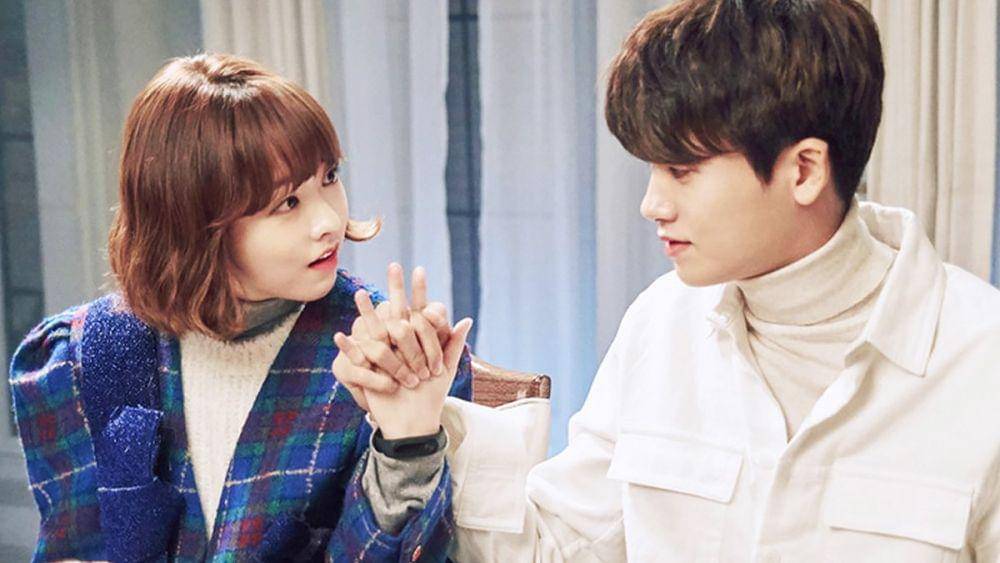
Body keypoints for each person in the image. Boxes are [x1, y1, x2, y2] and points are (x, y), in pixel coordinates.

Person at [334, 0, 1000, 560]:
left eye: (682, 171)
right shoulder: (663, 320)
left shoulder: (980, 358)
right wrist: (416, 431)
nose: (652, 204)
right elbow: (558, 549)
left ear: (804, 170)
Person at [9, 53, 472, 562]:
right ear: (192, 221)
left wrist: (407, 444)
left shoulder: (383, 358)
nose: (329, 221)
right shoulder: (85, 358)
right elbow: (73, 550)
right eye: (287, 203)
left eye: (329, 177)